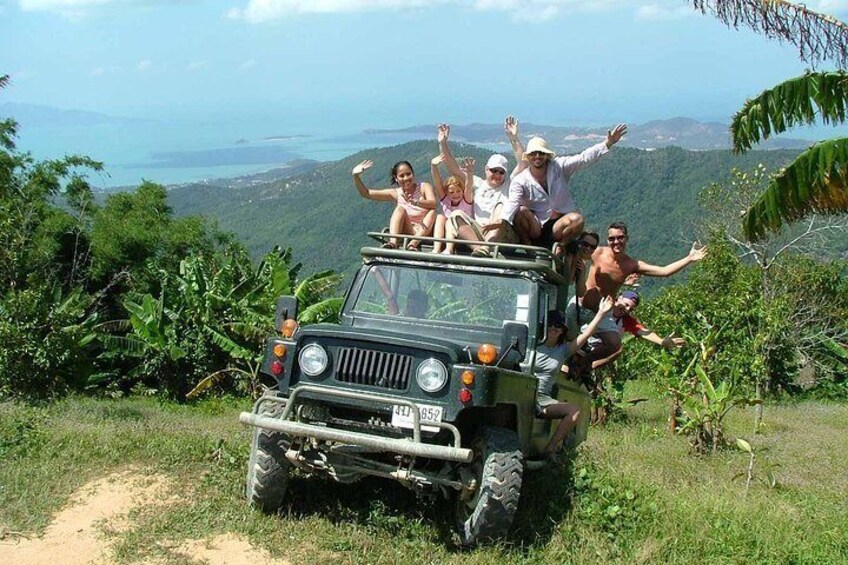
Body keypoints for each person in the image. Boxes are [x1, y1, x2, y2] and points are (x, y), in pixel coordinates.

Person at [567, 221, 707, 367]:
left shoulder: (631, 265)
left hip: (601, 312)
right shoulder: (597, 252)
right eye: (612, 239)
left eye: (620, 237)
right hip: (580, 304)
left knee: (614, 344)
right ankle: (571, 362)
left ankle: (584, 364)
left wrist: (689, 258)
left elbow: (664, 271)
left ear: (626, 238)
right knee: (567, 338)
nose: (616, 242)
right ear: (607, 240)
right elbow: (579, 252)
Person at [502, 124, 627, 248]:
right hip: (536, 225)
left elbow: (583, 159)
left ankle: (561, 246)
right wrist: (503, 221)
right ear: (528, 157)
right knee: (520, 211)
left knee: (577, 219)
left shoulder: (559, 167)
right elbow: (513, 202)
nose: (537, 156)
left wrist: (608, 143)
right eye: (533, 153)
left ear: (547, 155)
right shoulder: (520, 180)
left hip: (559, 225)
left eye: (541, 153)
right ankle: (527, 245)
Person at [530, 298, 613, 462]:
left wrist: (602, 313)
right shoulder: (532, 345)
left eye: (558, 326)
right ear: (544, 326)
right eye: (551, 324)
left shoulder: (563, 350)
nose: (554, 328)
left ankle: (550, 449)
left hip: (543, 399)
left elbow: (587, 334)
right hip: (523, 392)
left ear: (562, 331)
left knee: (574, 411)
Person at [436, 119, 524, 256]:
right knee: (456, 215)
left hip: (503, 237)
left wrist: (514, 138)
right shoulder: (477, 184)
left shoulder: (509, 185)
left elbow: (523, 163)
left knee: (500, 207)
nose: (497, 175)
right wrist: (443, 143)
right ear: (486, 169)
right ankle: (479, 249)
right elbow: (454, 169)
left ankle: (485, 248)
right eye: (493, 171)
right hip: (480, 234)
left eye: (501, 172)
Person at [590, 289, 685, 371]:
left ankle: (589, 367)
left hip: (599, 350)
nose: (626, 309)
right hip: (584, 339)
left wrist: (662, 341)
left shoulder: (626, 320)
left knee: (618, 349)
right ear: (619, 298)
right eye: (626, 304)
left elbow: (644, 332)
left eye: (630, 309)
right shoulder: (602, 305)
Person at [352, 159, 437, 250]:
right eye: (401, 176)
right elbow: (366, 193)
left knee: (432, 212)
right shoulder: (396, 193)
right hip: (408, 229)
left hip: (423, 230)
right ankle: (392, 243)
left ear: (413, 174)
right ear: (396, 178)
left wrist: (415, 202)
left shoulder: (424, 187)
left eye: (408, 174)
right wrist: (356, 176)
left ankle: (413, 244)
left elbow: (433, 204)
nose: (406, 178)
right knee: (400, 209)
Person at [430, 154, 474, 254]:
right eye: (451, 192)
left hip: (463, 232)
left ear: (462, 191)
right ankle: (436, 248)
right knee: (440, 217)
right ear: (447, 193)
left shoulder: (466, 200)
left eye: (458, 191)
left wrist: (469, 173)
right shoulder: (446, 200)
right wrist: (434, 166)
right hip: (447, 232)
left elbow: (469, 185)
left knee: (452, 219)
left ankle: (449, 249)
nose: (455, 194)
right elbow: (437, 182)